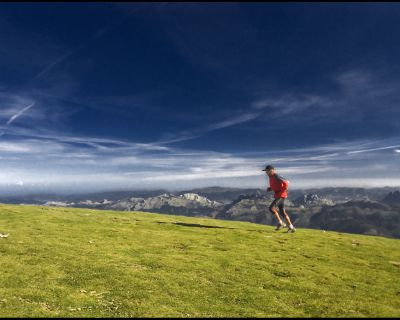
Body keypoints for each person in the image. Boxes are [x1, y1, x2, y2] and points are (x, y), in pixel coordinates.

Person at [262, 164, 296, 233]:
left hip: (281, 195)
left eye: (267, 171)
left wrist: (283, 190)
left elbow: (286, 182)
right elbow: (276, 184)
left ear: (271, 170)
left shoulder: (276, 176)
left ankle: (281, 223)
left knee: (271, 208)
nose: (266, 172)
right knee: (283, 213)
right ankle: (291, 228)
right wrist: (270, 188)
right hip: (279, 195)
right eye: (265, 171)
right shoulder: (271, 177)